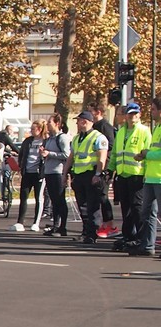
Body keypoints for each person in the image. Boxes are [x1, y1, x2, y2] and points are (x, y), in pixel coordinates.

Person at [108, 101, 151, 253]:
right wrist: (110, 169)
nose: (132, 116)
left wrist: (146, 173)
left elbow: (147, 152)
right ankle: (128, 236)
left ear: (139, 115)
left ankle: (141, 237)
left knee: (137, 207)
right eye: (130, 114)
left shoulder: (144, 131)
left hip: (137, 174)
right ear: (126, 116)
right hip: (123, 174)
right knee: (125, 207)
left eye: (135, 114)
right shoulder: (120, 132)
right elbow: (115, 154)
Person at [65, 110, 109, 245]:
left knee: (92, 206)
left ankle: (92, 234)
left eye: (78, 121)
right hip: (78, 175)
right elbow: (71, 157)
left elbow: (102, 156)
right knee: (82, 206)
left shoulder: (98, 137)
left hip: (91, 175)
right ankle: (85, 232)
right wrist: (65, 173)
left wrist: (98, 174)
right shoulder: (77, 138)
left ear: (84, 121)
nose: (77, 123)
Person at [134, 94, 161, 258]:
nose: (150, 112)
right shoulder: (157, 127)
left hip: (159, 177)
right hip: (151, 177)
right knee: (147, 213)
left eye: (153, 109)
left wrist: (147, 154)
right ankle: (148, 245)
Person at [11, 120, 46, 231]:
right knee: (23, 197)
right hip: (27, 172)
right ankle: (20, 222)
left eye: (33, 129)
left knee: (38, 198)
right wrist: (21, 165)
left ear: (39, 129)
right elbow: (21, 154)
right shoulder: (28, 141)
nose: (31, 131)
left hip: (38, 173)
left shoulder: (45, 141)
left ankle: (36, 222)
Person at [38, 112, 70, 237]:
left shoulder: (62, 138)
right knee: (54, 200)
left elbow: (67, 154)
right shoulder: (50, 139)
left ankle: (63, 227)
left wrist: (49, 154)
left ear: (57, 124)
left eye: (49, 122)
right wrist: (43, 153)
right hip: (49, 171)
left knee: (60, 200)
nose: (47, 124)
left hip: (58, 172)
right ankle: (56, 225)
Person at [90, 104, 118, 236]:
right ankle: (102, 224)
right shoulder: (94, 127)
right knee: (96, 196)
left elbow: (111, 144)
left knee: (103, 195)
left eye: (91, 111)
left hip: (104, 165)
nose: (90, 114)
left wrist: (104, 159)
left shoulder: (105, 126)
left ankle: (110, 225)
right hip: (95, 165)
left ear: (98, 112)